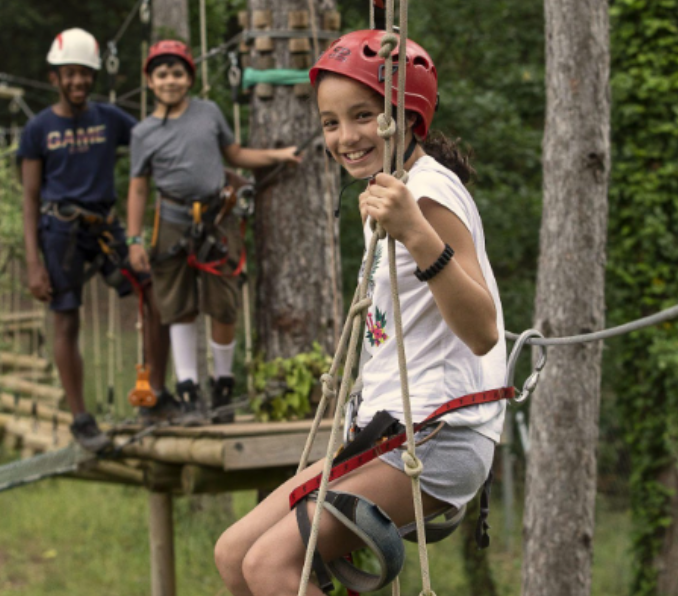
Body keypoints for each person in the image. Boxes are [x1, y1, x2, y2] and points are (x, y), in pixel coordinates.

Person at [213, 30, 508, 595]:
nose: (346, 136)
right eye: (331, 122)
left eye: (364, 116)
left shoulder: (427, 195)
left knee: (269, 566)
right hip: (387, 429)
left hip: (438, 434)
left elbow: (483, 330)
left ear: (406, 115)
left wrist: (417, 233)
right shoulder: (389, 191)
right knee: (235, 554)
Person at [127, 40, 301, 426]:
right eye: (161, 74)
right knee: (179, 305)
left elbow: (235, 155)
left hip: (217, 216)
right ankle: (188, 390)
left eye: (177, 73)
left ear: (189, 78)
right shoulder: (143, 133)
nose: (170, 81)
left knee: (223, 302)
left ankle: (222, 385)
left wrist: (277, 156)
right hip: (172, 221)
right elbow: (138, 187)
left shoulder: (208, 113)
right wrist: (134, 239)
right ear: (150, 81)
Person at [19, 28, 172, 451]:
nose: (78, 81)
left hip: (105, 228)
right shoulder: (38, 129)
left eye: (85, 73)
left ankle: (154, 394)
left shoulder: (109, 119)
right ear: (55, 77)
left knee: (153, 294)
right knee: (66, 318)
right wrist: (33, 264)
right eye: (70, 73)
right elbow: (29, 199)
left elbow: (153, 141)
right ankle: (82, 420)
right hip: (60, 231)